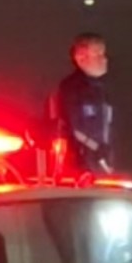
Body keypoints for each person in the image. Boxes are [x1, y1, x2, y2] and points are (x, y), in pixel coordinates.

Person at [47, 33, 113, 175]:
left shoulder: (103, 88)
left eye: (104, 54)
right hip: (80, 164)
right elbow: (72, 126)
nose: (104, 59)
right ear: (81, 59)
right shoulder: (71, 88)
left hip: (102, 160)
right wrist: (96, 148)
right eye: (97, 55)